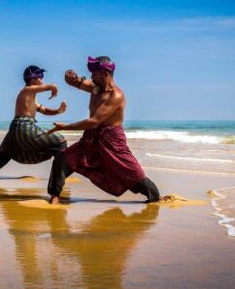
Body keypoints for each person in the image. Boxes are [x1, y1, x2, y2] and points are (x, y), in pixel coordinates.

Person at [47, 56, 160, 204]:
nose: (91, 77)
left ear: (105, 73)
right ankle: (55, 195)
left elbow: (93, 122)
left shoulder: (116, 95)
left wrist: (65, 127)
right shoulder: (96, 88)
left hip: (112, 141)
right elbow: (78, 83)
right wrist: (71, 77)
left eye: (95, 74)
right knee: (63, 158)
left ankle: (155, 196)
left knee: (132, 175)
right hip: (92, 138)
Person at [0, 65, 68, 181]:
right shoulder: (26, 90)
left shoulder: (30, 97)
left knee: (4, 153)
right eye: (40, 77)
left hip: (14, 128)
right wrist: (53, 88)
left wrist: (58, 111)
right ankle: (60, 175)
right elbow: (50, 86)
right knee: (60, 142)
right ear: (33, 79)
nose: (42, 80)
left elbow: (44, 110)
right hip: (25, 126)